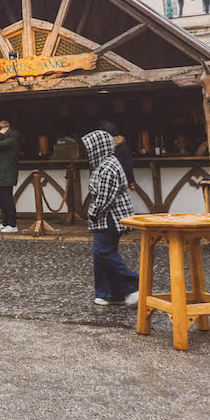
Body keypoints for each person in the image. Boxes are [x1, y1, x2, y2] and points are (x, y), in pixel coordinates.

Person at [81, 129, 139, 306]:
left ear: (98, 148)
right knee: (102, 255)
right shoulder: (106, 163)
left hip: (111, 216)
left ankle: (134, 284)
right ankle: (111, 294)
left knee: (103, 252)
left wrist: (93, 213)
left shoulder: (107, 167)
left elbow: (105, 198)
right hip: (109, 216)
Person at [0, 120, 22, 232]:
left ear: (4, 128)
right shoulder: (6, 138)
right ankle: (5, 221)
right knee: (1, 197)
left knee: (7, 198)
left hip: (8, 171)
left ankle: (13, 224)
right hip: (2, 171)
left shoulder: (12, 139)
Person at [98, 120, 136, 190]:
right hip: (120, 176)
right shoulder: (122, 145)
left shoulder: (103, 145)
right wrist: (131, 181)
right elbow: (128, 164)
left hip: (106, 178)